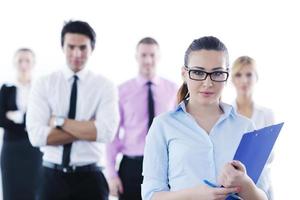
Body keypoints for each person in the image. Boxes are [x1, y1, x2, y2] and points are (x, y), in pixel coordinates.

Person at [142, 36, 270, 200]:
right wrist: (194, 195)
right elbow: (151, 195)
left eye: (217, 73)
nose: (208, 83)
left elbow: (262, 196)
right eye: (198, 72)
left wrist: (246, 184)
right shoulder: (163, 125)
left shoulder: (245, 126)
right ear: (184, 74)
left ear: (226, 75)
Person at [26, 20, 119, 200]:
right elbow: (37, 136)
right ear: (63, 47)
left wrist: (59, 123)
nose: (76, 54)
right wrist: (89, 128)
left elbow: (107, 132)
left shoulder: (105, 86)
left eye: (83, 48)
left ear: (92, 48)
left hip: (91, 178)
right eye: (71, 47)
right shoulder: (44, 83)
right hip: (51, 177)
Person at [106, 37, 178, 200]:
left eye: (152, 55)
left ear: (158, 57)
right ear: (136, 57)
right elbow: (112, 136)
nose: (148, 60)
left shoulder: (173, 90)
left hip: (164, 166)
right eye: (143, 55)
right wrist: (111, 174)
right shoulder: (121, 91)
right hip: (132, 167)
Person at [0, 48, 42, 200]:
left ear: (33, 64)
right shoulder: (6, 88)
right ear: (14, 63)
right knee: (11, 189)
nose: (23, 64)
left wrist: (17, 116)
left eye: (27, 60)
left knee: (34, 189)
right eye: (20, 61)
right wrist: (27, 122)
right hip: (11, 148)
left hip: (34, 147)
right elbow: (1, 118)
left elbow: (43, 117)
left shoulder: (39, 89)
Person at [231, 55, 275, 199]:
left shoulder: (267, 114)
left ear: (256, 78)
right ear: (232, 79)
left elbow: (271, 156)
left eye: (249, 74)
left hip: (262, 184)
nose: (244, 80)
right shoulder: (226, 114)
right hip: (234, 184)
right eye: (238, 75)